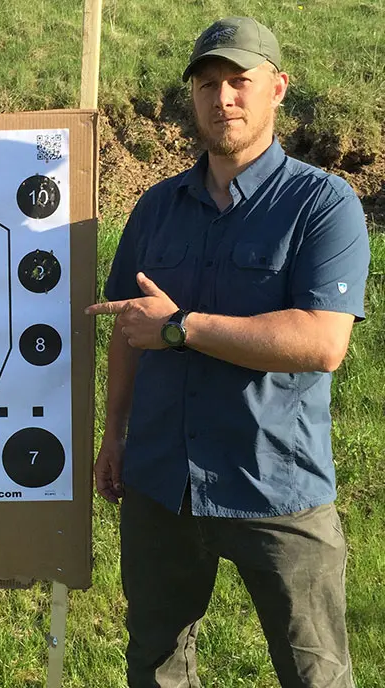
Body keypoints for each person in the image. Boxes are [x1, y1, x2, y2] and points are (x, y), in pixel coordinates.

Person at [86, 17, 369, 688]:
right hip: (161, 482)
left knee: (316, 672)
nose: (224, 99)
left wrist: (182, 327)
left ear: (278, 88)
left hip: (274, 482)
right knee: (156, 664)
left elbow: (323, 343)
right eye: (208, 84)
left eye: (240, 81)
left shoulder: (322, 205)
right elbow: (129, 327)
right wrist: (114, 434)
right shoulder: (156, 208)